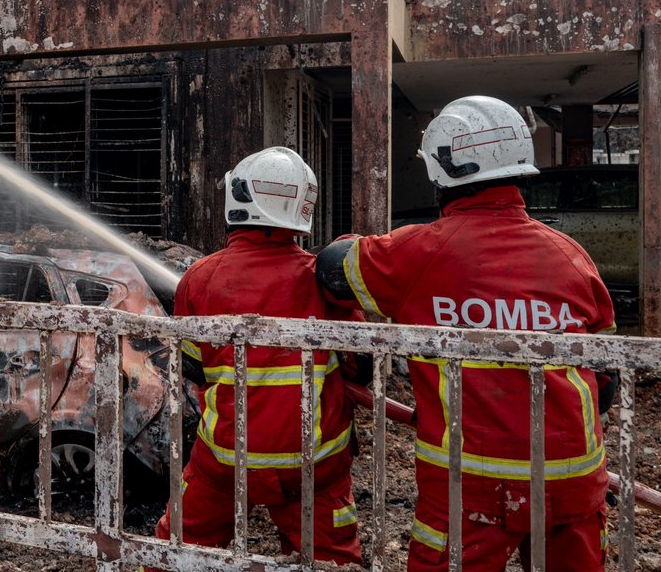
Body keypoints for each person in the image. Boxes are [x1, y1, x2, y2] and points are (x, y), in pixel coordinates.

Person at [316, 95, 616, 571]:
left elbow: (332, 271)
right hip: (572, 479)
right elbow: (605, 381)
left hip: (465, 485)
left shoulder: (417, 252)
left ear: (442, 170)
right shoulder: (571, 255)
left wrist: (355, 241)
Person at [147, 147, 363, 568]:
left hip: (226, 459)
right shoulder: (323, 280)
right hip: (315, 465)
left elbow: (193, 366)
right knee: (329, 560)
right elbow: (360, 365)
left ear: (238, 197)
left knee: (175, 551)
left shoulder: (199, 279)